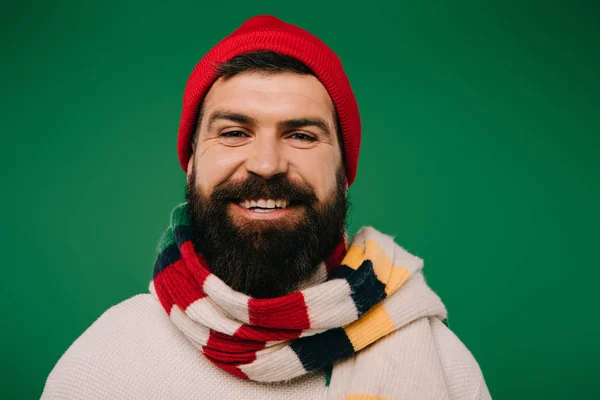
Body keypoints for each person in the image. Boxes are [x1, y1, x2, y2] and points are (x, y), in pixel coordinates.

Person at [42, 15, 491, 400]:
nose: (266, 164)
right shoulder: (104, 361)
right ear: (192, 162)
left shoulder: (441, 363)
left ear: (344, 171)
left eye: (301, 135)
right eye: (235, 132)